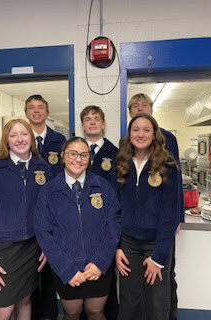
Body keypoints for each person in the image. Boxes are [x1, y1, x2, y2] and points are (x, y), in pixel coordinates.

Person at [34, 137, 121, 320]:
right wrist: (66, 269)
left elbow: (113, 227)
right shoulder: (49, 191)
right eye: (73, 153)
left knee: (96, 312)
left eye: (83, 155)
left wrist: (100, 262)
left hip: (97, 266)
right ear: (63, 156)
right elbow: (44, 233)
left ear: (88, 159)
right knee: (72, 314)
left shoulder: (103, 187)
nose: (78, 159)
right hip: (66, 266)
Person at [0, 119, 51, 320]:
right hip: (4, 249)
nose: (20, 139)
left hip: (32, 246)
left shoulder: (42, 167)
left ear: (31, 138)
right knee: (3, 309)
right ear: (6, 140)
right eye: (13, 135)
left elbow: (48, 211)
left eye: (24, 134)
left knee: (25, 300)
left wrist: (46, 244)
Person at [115, 113, 180, 320]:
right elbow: (114, 208)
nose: (140, 134)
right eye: (135, 130)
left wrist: (159, 258)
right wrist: (117, 247)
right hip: (128, 243)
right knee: (129, 301)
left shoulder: (167, 164)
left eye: (146, 130)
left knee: (156, 303)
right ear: (129, 134)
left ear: (154, 135)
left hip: (156, 243)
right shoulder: (121, 162)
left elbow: (171, 213)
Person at [25, 94, 66, 320]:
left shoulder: (59, 141)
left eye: (40, 107)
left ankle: (49, 315)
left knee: (50, 272)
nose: (36, 111)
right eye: (31, 108)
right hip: (28, 216)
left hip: (54, 218)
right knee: (30, 274)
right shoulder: (20, 139)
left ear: (47, 112)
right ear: (27, 113)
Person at [79, 105, 119, 320]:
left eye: (96, 119)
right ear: (82, 125)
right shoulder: (74, 152)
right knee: (82, 274)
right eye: (87, 119)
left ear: (103, 124)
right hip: (79, 225)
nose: (92, 122)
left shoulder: (116, 153)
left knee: (105, 276)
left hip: (105, 226)